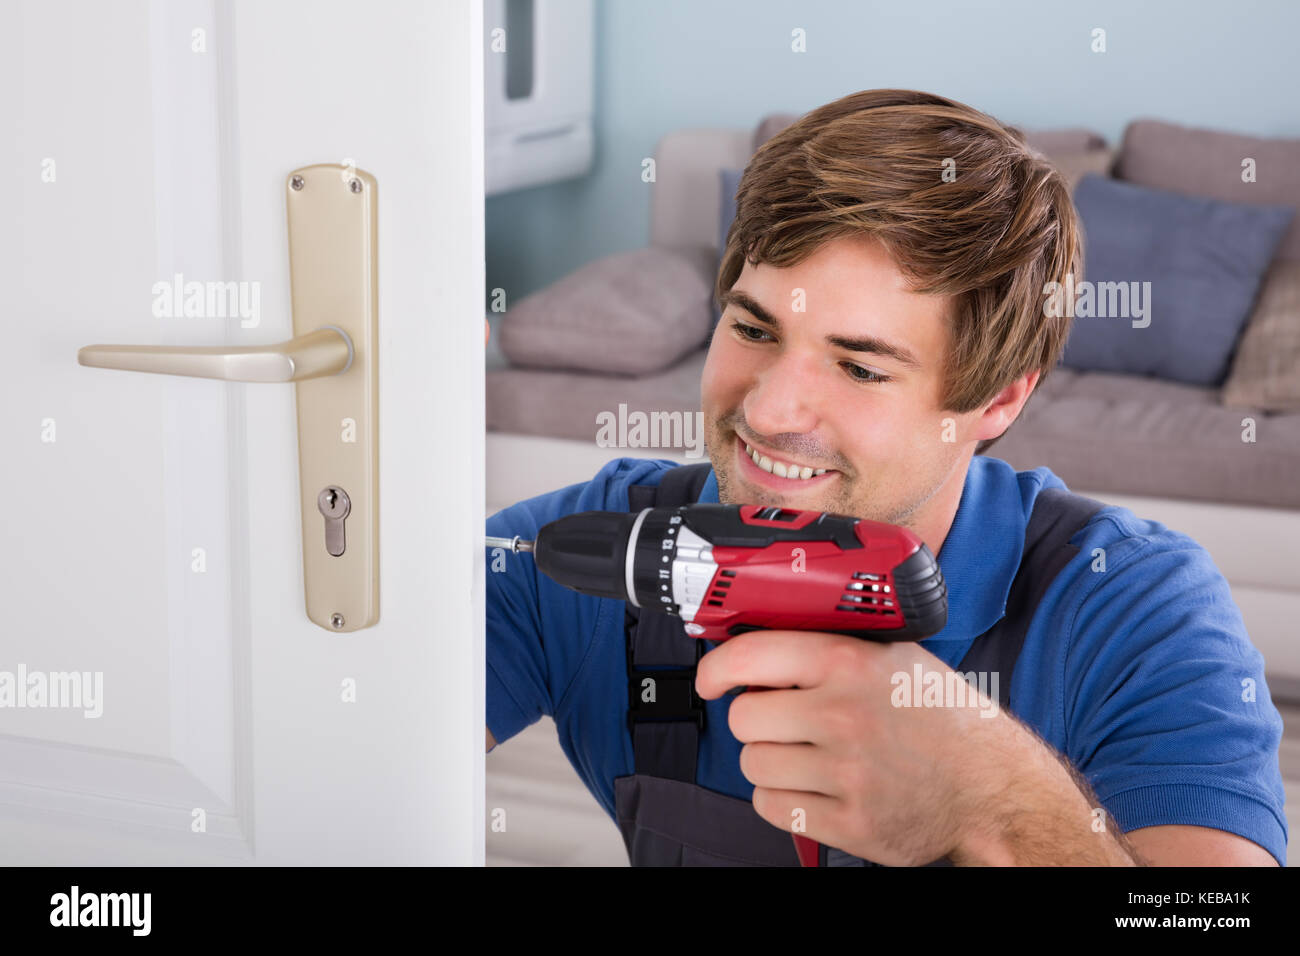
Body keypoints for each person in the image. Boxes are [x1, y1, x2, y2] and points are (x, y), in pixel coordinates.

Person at [485, 89, 1286, 866]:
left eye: (861, 368)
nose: (769, 412)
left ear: (999, 399)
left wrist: (993, 806)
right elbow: (374, 706)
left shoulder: (1135, 608)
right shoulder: (602, 550)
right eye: (754, 327)